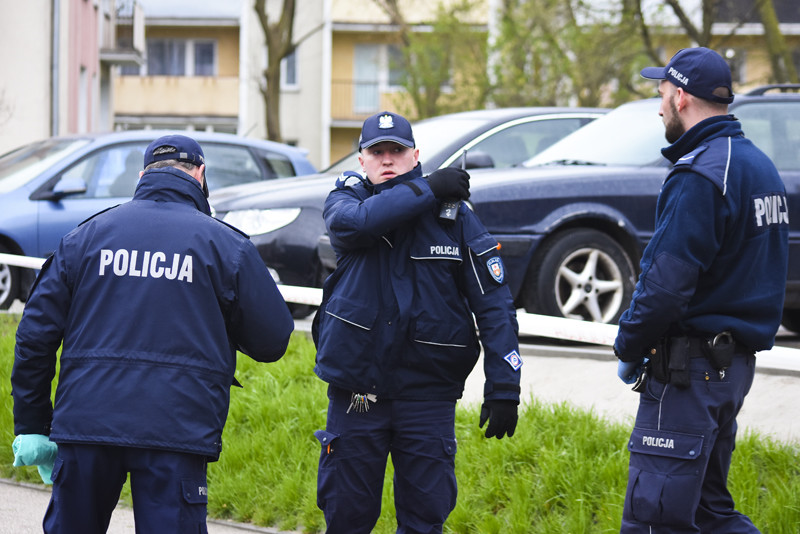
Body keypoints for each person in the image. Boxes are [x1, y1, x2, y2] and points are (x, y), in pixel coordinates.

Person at [10, 134, 295, 533]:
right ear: (200, 175)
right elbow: (273, 341)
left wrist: (33, 425)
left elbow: (34, 338)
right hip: (175, 432)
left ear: (143, 175)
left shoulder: (84, 239)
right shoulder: (226, 247)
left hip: (87, 426)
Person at [311, 110, 522, 533]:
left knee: (425, 520)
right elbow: (359, 224)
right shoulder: (347, 202)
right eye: (377, 152)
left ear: (415, 156)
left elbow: (494, 304)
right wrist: (426, 188)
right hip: (357, 395)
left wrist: (504, 386)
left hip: (427, 397)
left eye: (397, 151)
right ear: (361, 161)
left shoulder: (455, 217)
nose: (387, 159)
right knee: (346, 517)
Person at [614, 47, 788, 532]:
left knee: (655, 518)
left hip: (687, 373)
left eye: (662, 93)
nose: (659, 104)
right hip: (729, 370)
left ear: (682, 97)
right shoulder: (759, 167)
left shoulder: (700, 173)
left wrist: (627, 345)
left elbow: (666, 285)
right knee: (709, 515)